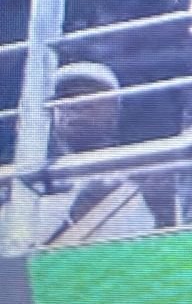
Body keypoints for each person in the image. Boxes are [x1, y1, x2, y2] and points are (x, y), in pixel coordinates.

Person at [34, 62, 157, 247]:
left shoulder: (148, 167)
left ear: (115, 109)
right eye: (65, 98)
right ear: (53, 112)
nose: (76, 105)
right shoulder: (31, 180)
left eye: (89, 97)